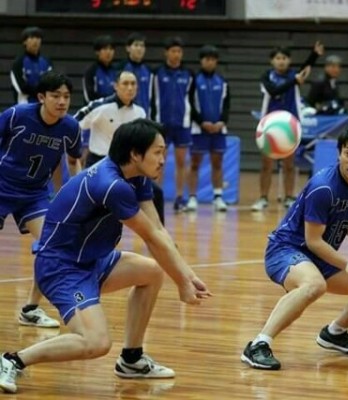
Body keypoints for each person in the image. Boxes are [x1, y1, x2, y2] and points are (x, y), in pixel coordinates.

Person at [0, 119, 212, 394]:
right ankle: (13, 360)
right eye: (158, 152)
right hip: (61, 268)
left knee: (151, 271)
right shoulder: (112, 185)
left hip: (93, 260)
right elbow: (149, 237)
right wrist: (182, 283)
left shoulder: (137, 178)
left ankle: (132, 360)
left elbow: (158, 230)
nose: (163, 160)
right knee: (96, 343)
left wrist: (188, 275)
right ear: (136, 154)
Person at [241, 123, 348, 370]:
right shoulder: (324, 187)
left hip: (319, 259)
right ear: (339, 153)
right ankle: (258, 344)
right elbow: (313, 241)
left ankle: (335, 333)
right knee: (314, 285)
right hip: (286, 250)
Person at [0, 71, 81, 329]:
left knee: (51, 246)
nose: (62, 102)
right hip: (2, 186)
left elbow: (67, 161)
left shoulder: (70, 127)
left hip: (34, 193)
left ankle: (30, 309)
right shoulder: (16, 116)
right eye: (56, 96)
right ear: (41, 97)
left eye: (66, 96)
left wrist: (67, 197)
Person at [74, 70, 165, 224]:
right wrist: (75, 153)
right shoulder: (99, 106)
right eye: (125, 83)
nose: (130, 88)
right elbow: (73, 124)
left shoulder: (140, 112)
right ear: (115, 86)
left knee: (156, 193)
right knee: (90, 209)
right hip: (98, 166)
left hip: (128, 168)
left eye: (133, 84)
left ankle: (161, 238)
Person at [251, 41, 324, 212]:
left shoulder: (295, 75)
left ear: (289, 60)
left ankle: (289, 197)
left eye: (284, 58)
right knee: (266, 164)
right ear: (272, 61)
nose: (281, 61)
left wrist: (315, 55)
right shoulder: (266, 76)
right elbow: (274, 91)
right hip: (269, 125)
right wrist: (293, 81)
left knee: (289, 164)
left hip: (290, 125)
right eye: (278, 58)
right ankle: (263, 198)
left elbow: (306, 68)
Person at [151, 36, 194, 213]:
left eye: (179, 51)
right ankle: (155, 196)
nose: (176, 54)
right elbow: (152, 99)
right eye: (173, 51)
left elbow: (191, 100)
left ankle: (179, 198)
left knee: (181, 162)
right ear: (166, 53)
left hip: (182, 124)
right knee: (158, 162)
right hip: (162, 125)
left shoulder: (189, 75)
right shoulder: (157, 74)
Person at [187, 45, 231, 213]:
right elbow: (190, 104)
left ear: (216, 61)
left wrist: (221, 122)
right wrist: (201, 122)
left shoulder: (223, 81)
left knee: (217, 162)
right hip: (199, 129)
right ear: (201, 61)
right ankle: (192, 197)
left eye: (213, 59)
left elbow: (227, 105)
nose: (210, 62)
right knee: (195, 163)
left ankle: (218, 197)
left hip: (219, 129)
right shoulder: (194, 81)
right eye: (207, 59)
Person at [10, 26, 53, 104]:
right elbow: (21, 87)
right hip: (23, 107)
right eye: (32, 37)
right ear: (24, 42)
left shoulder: (47, 62)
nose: (35, 41)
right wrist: (40, 90)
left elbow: (51, 84)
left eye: (38, 38)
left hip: (43, 107)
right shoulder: (18, 63)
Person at [121, 32, 152, 116]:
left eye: (142, 46)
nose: (139, 48)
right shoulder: (120, 68)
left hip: (144, 116)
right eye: (136, 45)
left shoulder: (149, 71)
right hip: (124, 116)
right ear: (128, 48)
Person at [83, 34, 117, 103]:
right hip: (96, 112)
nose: (108, 52)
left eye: (111, 49)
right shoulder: (91, 72)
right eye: (105, 49)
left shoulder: (116, 71)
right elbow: (89, 98)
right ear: (97, 52)